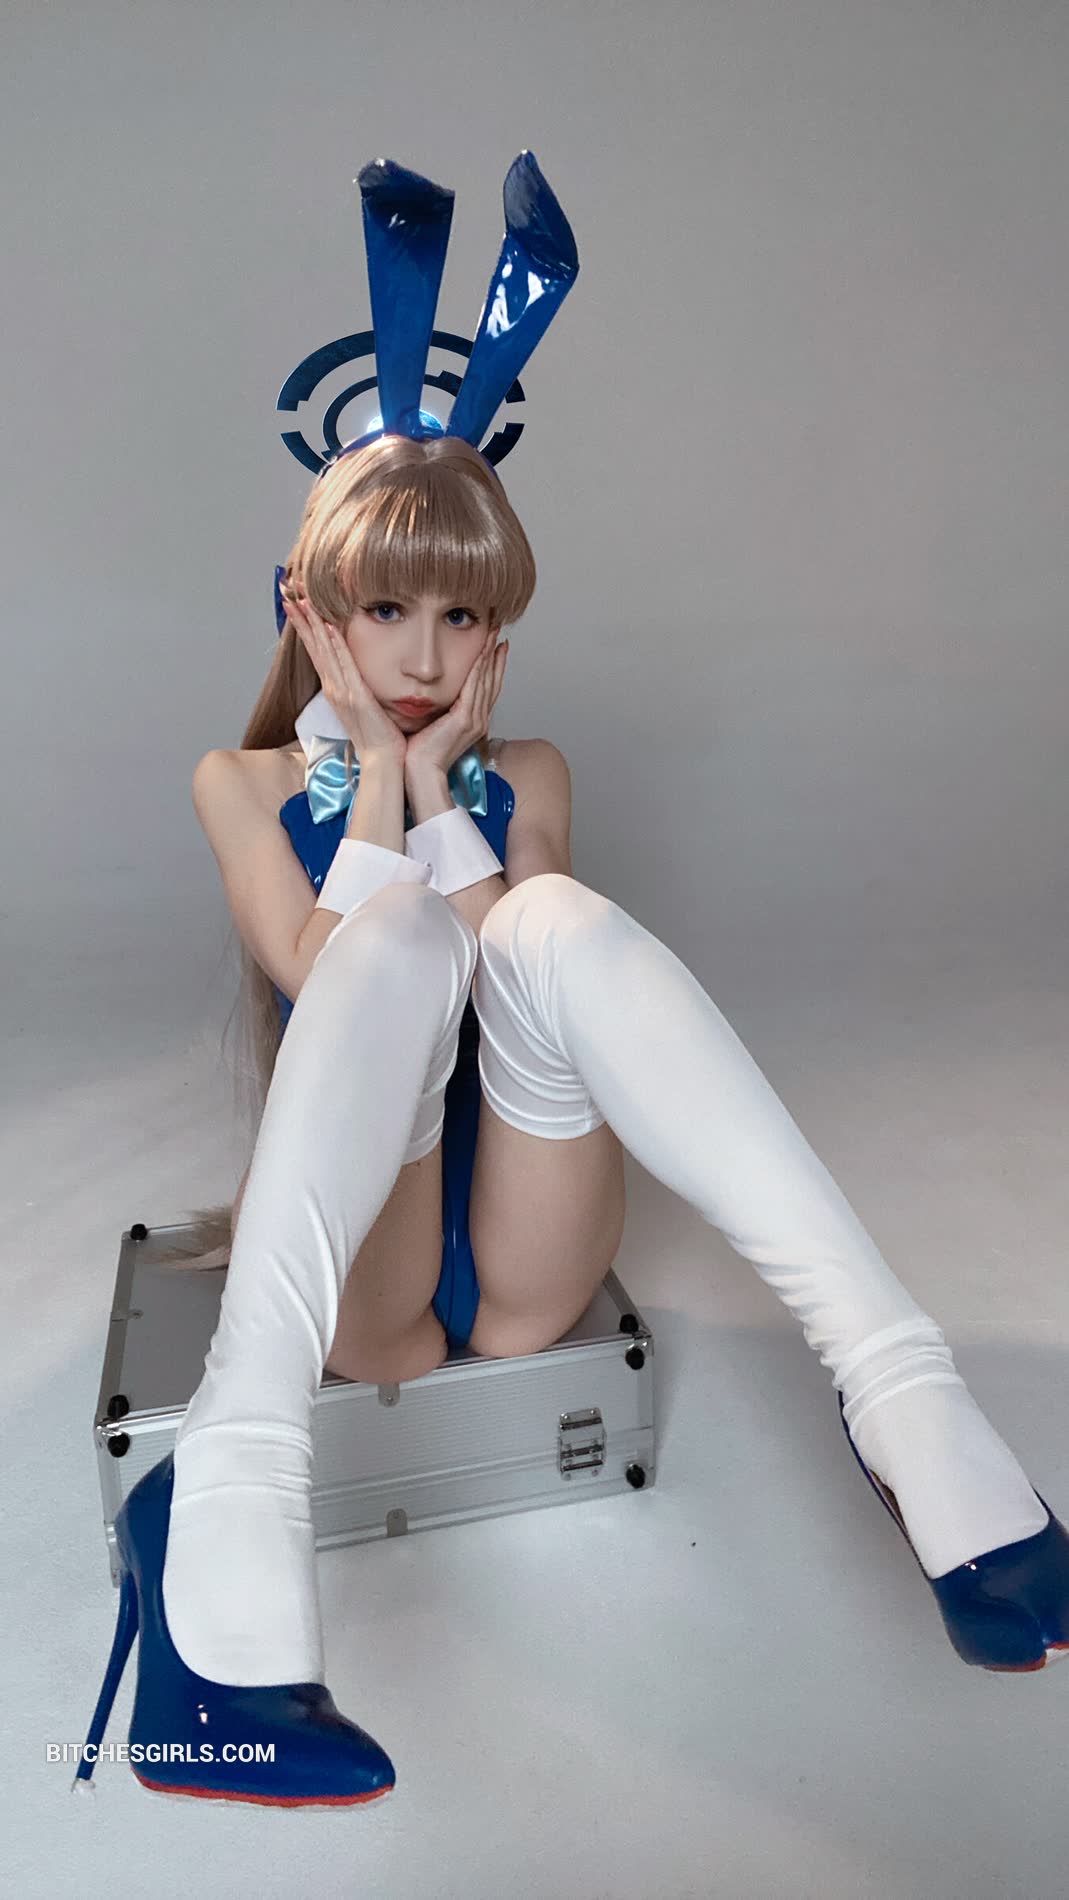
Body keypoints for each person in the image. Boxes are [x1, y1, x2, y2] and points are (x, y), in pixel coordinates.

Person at [79, 153, 1069, 1815]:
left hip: (529, 1251)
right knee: (397, 937)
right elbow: (329, 967)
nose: (420, 654)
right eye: (382, 608)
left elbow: (514, 956)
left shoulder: (525, 766)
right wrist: (382, 784)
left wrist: (447, 791)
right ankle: (236, 1487)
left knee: (543, 919)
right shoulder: (241, 783)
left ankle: (901, 1393)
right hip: (366, 1284)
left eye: (460, 615)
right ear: (309, 611)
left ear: (497, 637)